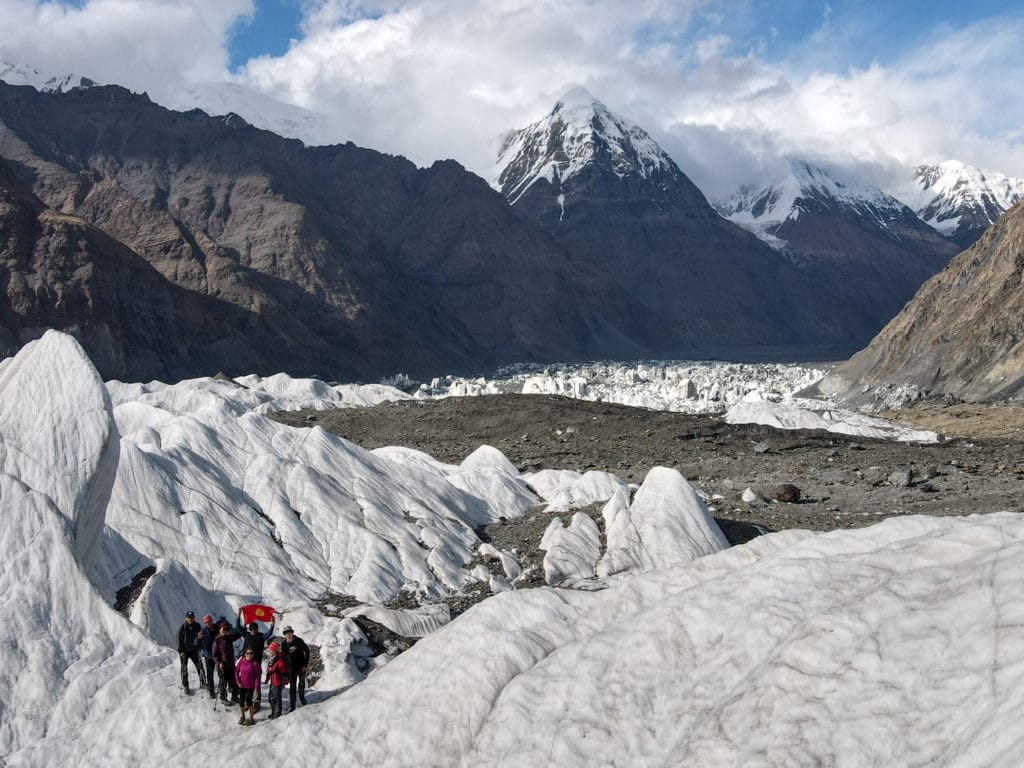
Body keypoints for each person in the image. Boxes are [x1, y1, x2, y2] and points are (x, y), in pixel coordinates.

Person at [237, 609, 275, 711]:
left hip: (256, 664)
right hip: (245, 663)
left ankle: (257, 703)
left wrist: (272, 624)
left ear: (257, 629)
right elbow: (238, 627)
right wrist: (238, 614)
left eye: (255, 629)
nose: (253, 631)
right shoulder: (247, 635)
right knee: (246, 683)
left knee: (256, 684)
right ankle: (247, 702)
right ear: (249, 630)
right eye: (251, 629)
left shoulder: (261, 636)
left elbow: (269, 633)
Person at [281, 625, 310, 710]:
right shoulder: (283, 644)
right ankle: (292, 704)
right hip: (291, 669)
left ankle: (302, 698)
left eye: (289, 633)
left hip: (301, 667)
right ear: (284, 635)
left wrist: (305, 665)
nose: (288, 635)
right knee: (292, 686)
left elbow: (307, 651)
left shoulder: (299, 641)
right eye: (286, 634)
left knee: (301, 684)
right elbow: (284, 657)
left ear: (292, 633)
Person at [176, 610, 205, 694]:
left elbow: (200, 638)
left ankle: (203, 682)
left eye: (192, 617)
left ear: (194, 617)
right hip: (184, 651)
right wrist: (181, 651)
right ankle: (185, 685)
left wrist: (199, 644)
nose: (190, 619)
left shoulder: (197, 626)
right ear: (186, 618)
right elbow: (179, 640)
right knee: (184, 669)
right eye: (189, 618)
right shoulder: (182, 628)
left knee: (200, 667)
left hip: (194, 650)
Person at [212, 621, 241, 703]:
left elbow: (238, 635)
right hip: (222, 666)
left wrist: (244, 627)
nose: (225, 631)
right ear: (220, 630)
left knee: (234, 681)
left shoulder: (229, 638)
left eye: (226, 629)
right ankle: (223, 698)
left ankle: (235, 696)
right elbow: (214, 655)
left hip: (231, 664)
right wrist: (219, 663)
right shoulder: (217, 641)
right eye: (223, 629)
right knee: (223, 683)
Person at [235, 648, 261, 726]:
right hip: (242, 685)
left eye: (251, 653)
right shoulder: (242, 661)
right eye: (247, 653)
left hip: (250, 686)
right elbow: (236, 671)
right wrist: (238, 682)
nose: (249, 655)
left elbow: (257, 677)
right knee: (241, 701)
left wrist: (256, 688)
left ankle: (251, 718)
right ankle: (243, 716)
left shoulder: (255, 664)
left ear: (253, 655)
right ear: (245, 654)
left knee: (249, 701)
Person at [264, 642, 288, 719]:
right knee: (272, 697)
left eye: (271, 650)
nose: (270, 651)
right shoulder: (273, 658)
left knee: (276, 697)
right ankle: (274, 712)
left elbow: (282, 669)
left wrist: (273, 668)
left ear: (274, 650)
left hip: (277, 681)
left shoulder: (278, 659)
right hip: (273, 680)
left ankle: (277, 713)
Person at [197, 614, 218, 699]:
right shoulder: (203, 631)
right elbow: (196, 643)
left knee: (222, 673)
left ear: (212, 621)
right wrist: (198, 638)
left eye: (209, 621)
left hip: (218, 655)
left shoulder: (217, 628)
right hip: (209, 656)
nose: (208, 623)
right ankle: (211, 690)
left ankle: (223, 689)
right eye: (206, 622)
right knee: (210, 674)